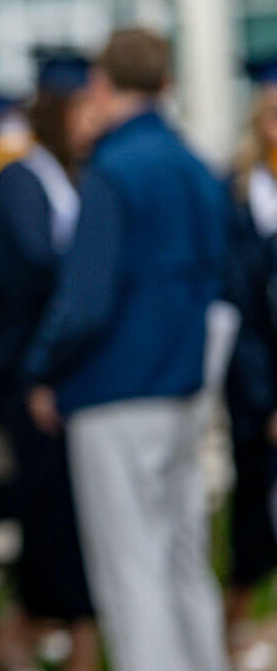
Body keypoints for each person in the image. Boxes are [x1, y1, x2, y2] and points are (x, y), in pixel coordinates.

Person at [22, 28, 229, 671]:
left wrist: (40, 370)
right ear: (166, 85)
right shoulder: (197, 165)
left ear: (103, 86)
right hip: (186, 386)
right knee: (184, 558)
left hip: (114, 393)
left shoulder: (113, 168)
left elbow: (85, 301)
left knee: (131, 572)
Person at [0, 50, 100, 671]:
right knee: (51, 517)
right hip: (28, 378)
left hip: (56, 376)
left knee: (60, 518)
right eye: (80, 106)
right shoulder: (20, 178)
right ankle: (50, 639)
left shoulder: (61, 173)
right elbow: (35, 278)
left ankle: (24, 636)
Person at [223, 54, 277, 654]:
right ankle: (234, 640)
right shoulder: (237, 197)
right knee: (254, 532)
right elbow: (236, 312)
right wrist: (264, 404)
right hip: (259, 402)